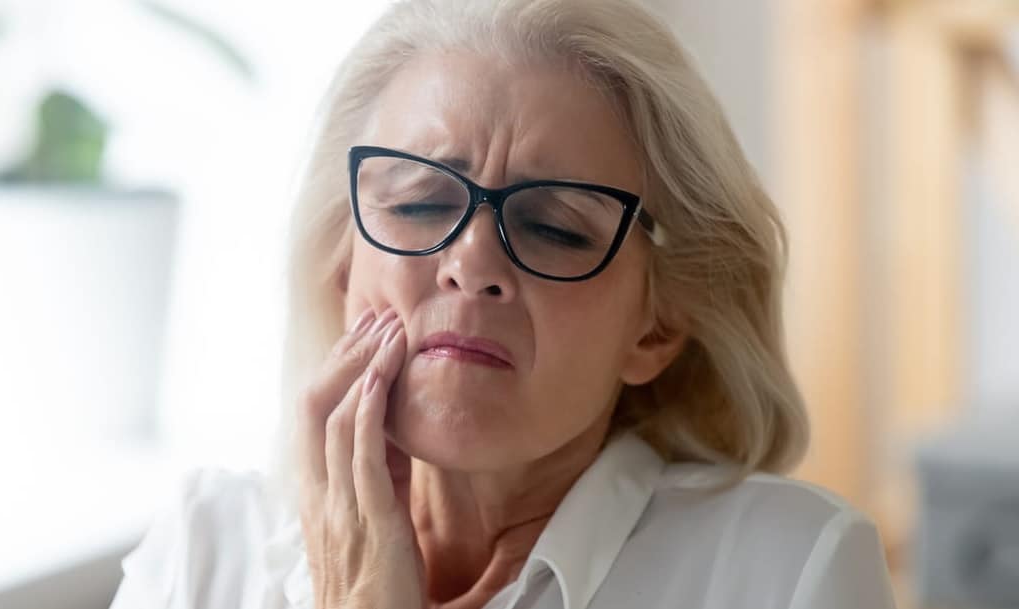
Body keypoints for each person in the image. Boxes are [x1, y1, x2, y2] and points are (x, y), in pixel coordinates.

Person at [109, 0, 898, 608]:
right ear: (341, 261)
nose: (471, 262)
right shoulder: (204, 549)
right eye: (419, 203)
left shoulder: (786, 570)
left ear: (656, 326)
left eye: (553, 226)